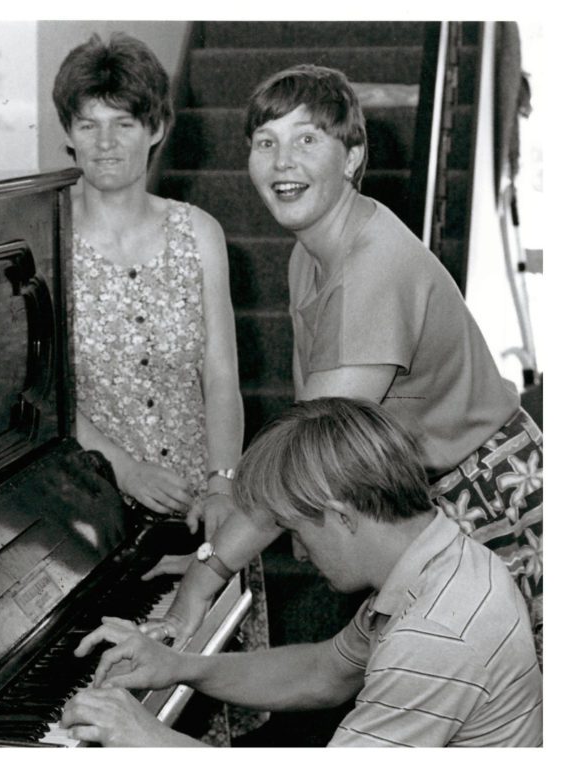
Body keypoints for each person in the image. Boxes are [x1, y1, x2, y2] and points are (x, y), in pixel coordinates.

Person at [145, 64, 543, 663]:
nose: (282, 162)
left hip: (486, 498)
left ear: (353, 157)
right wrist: (225, 541)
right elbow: (311, 424)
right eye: (265, 142)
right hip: (419, 499)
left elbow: (309, 453)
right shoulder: (310, 253)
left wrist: (206, 574)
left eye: (307, 139)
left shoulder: (372, 269)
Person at [60, 398, 542, 747]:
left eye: (296, 530)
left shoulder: (435, 635)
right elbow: (323, 673)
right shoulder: (440, 557)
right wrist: (178, 668)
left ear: (341, 515)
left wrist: (145, 737)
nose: (300, 553)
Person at [51, 32, 269, 744]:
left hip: (205, 516)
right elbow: (45, 394)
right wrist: (124, 466)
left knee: (201, 722)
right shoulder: (43, 242)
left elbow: (223, 377)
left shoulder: (198, 232)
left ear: (157, 130)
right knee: (109, 717)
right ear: (68, 135)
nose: (106, 142)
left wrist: (222, 481)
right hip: (93, 524)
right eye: (89, 122)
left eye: (125, 122)